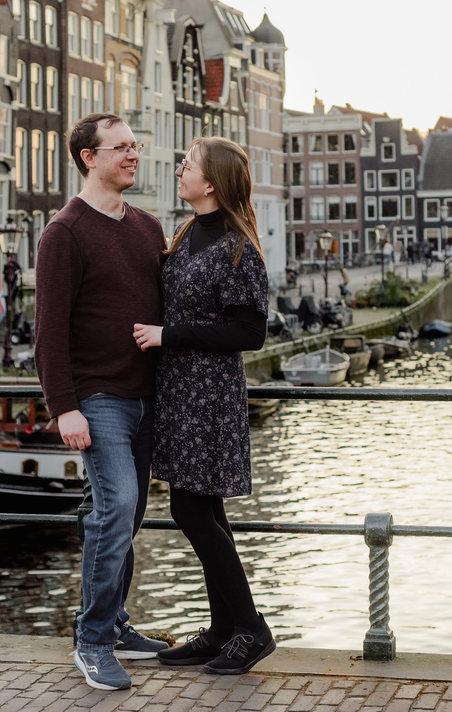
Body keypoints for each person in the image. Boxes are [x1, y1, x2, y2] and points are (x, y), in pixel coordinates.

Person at [35, 113, 169, 691]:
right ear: (89, 157)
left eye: (134, 146)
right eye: (121, 148)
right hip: (98, 399)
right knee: (115, 510)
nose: (133, 155)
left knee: (130, 515)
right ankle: (91, 641)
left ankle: (115, 624)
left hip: (146, 397)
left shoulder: (147, 226)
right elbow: (49, 329)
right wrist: (64, 406)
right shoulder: (63, 233)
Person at [132, 137, 274, 675]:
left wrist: (170, 335)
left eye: (187, 164)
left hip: (210, 394)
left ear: (210, 182)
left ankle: (252, 628)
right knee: (207, 509)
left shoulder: (238, 247)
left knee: (190, 509)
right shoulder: (189, 231)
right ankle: (221, 630)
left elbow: (250, 333)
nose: (178, 169)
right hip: (179, 390)